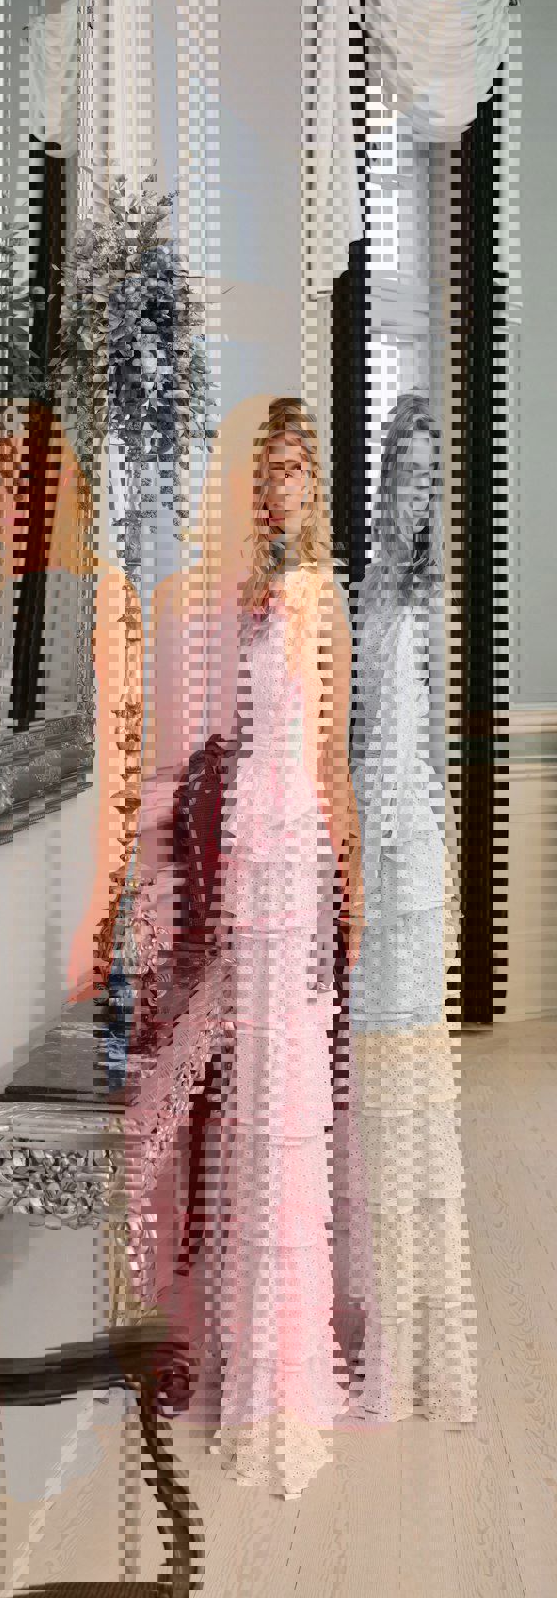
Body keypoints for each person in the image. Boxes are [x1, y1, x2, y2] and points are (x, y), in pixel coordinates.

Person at [125, 397, 363, 1499]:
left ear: (315, 487)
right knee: (245, 1114)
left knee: (287, 1115)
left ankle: (290, 1388)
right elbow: (230, 744)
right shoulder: (247, 600)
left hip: (297, 865)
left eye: (293, 472)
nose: (277, 490)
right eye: (265, 474)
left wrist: (348, 889)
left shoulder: (324, 599)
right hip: (246, 875)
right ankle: (242, 1373)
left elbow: (331, 758)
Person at [347, 393, 477, 1425]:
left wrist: (383, 861)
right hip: (377, 861)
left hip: (409, 871)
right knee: (378, 1110)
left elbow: (409, 755)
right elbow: (361, 741)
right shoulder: (367, 590)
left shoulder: (428, 601)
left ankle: (408, 1352)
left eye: (432, 479)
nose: (415, 495)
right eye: (405, 473)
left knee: (405, 1109)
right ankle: (388, 1336)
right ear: (383, 477)